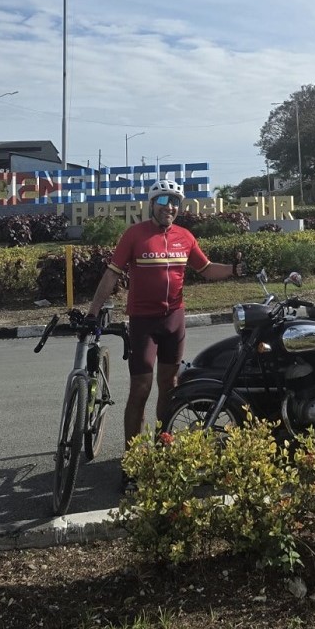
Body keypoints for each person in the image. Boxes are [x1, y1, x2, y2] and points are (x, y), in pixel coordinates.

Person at [84, 179, 245, 488]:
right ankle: (132, 463)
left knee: (170, 388)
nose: (169, 207)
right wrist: (93, 311)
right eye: (163, 201)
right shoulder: (135, 235)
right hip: (144, 323)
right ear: (151, 204)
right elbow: (111, 275)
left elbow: (207, 269)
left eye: (174, 202)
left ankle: (163, 449)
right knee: (140, 389)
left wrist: (234, 270)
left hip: (174, 320)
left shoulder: (185, 236)